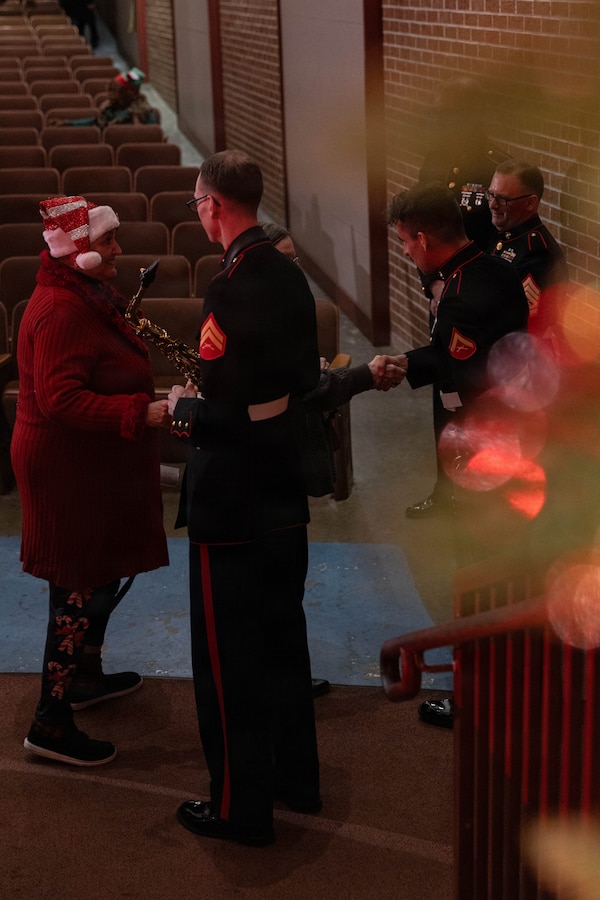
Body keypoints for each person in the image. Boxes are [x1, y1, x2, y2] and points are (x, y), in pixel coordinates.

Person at [167, 150, 323, 846]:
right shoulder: (292, 275)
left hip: (233, 503)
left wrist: (182, 409)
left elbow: (224, 413)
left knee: (229, 660)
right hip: (283, 489)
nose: (199, 212)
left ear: (214, 205)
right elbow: (300, 386)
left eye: (198, 203)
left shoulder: (228, 290)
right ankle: (298, 779)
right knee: (285, 642)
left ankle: (238, 806)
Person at [13, 196, 170, 766]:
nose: (119, 251)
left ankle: (85, 676)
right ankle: (49, 720)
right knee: (76, 587)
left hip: (89, 463)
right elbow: (60, 399)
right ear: (78, 252)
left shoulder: (85, 295)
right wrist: (141, 411)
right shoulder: (59, 310)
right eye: (109, 242)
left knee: (100, 571)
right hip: (66, 470)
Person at [420, 161, 569, 729]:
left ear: (531, 202)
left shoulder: (536, 254)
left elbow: (523, 336)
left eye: (505, 202)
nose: (493, 209)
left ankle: (484, 692)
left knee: (488, 555)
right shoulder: (499, 241)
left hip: (504, 414)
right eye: (492, 199)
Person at [261, 221, 407, 696]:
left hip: (282, 460)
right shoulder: (264, 314)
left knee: (284, 581)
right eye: (284, 258)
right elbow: (308, 388)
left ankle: (282, 673)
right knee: (278, 584)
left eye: (295, 255)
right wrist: (366, 374)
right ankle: (281, 680)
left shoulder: (284, 304)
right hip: (274, 462)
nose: (295, 267)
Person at [52, 69, 159, 129]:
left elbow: (153, 136)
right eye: (110, 90)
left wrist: (140, 130)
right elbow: (94, 123)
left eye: (114, 91)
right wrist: (70, 124)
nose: (110, 95)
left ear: (128, 94)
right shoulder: (108, 109)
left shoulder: (143, 113)